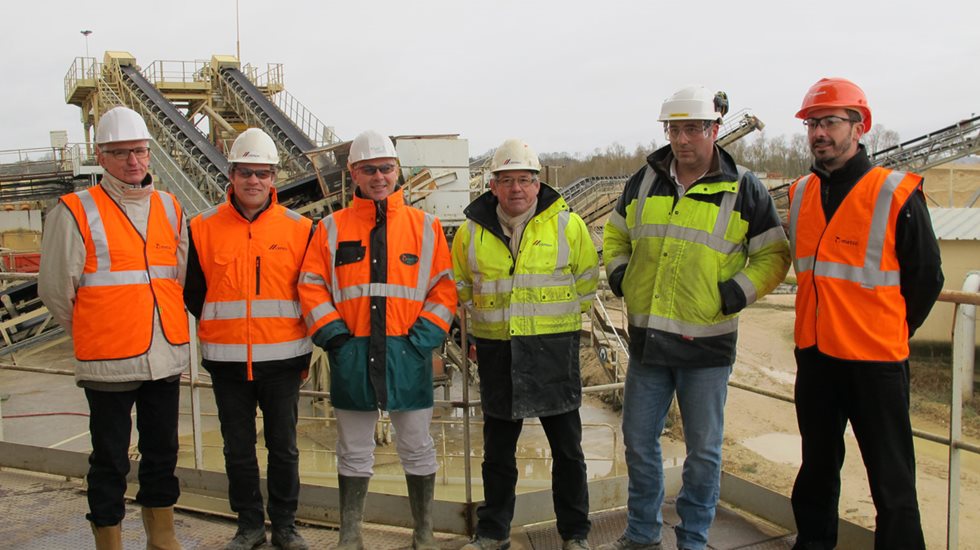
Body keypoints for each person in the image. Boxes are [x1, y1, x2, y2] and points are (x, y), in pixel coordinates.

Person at [599, 86, 791, 550]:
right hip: (647, 343)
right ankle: (642, 534)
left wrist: (731, 295)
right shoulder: (644, 181)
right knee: (640, 444)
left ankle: (694, 539)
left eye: (693, 129)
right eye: (674, 129)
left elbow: (773, 255)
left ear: (714, 130)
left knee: (703, 454)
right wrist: (621, 274)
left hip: (705, 346)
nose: (682, 139)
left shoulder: (744, 188)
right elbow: (615, 233)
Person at [787, 78, 943, 550]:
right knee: (816, 471)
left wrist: (889, 328)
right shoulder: (800, 194)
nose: (819, 132)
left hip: (875, 363)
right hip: (816, 359)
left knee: (892, 483)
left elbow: (926, 278)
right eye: (813, 123)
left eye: (830, 122)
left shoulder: (894, 192)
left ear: (860, 127)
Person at [38, 106, 189, 550]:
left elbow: (175, 278)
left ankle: (162, 538)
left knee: (163, 455)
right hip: (108, 363)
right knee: (109, 460)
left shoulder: (169, 206)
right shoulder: (74, 210)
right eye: (121, 153)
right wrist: (97, 325)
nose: (134, 162)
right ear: (101, 157)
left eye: (140, 151)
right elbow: (55, 290)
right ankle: (110, 542)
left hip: (164, 356)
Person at [298, 130, 457, 550]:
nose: (379, 177)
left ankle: (423, 534)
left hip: (409, 355)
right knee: (352, 447)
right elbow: (311, 284)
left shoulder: (426, 228)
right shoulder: (330, 228)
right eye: (369, 169)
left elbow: (443, 289)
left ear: (397, 170)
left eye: (385, 168)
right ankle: (350, 535)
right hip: (353, 355)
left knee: (418, 445)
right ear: (354, 173)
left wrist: (422, 341)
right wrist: (335, 338)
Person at [452, 139, 599, 550]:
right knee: (498, 454)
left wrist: (559, 325)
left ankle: (575, 534)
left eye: (524, 180)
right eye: (506, 180)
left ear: (538, 185)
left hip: (553, 354)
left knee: (568, 452)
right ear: (492, 186)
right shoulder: (470, 233)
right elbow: (461, 286)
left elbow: (586, 281)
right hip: (498, 354)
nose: (516, 188)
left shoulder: (568, 225)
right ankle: (493, 532)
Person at [183, 128, 312, 550]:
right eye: (245, 173)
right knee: (238, 450)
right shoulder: (201, 228)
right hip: (226, 362)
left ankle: (286, 526)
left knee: (284, 449)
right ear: (231, 176)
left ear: (273, 178)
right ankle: (249, 525)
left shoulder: (300, 229)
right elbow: (193, 292)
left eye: (262, 173)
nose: (253, 181)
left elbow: (309, 292)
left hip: (284, 361)